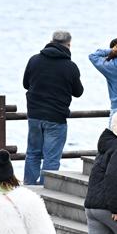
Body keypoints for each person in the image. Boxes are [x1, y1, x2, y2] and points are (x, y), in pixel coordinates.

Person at [22, 30, 84, 185]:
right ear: (68, 45)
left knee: (32, 154)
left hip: (35, 115)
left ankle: (29, 188)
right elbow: (78, 92)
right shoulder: (70, 67)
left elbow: (25, 84)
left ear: (51, 41)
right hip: (56, 117)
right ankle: (46, 189)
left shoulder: (34, 60)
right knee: (51, 158)